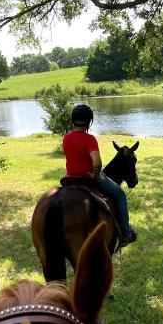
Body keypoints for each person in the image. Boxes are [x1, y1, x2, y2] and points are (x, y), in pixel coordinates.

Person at [63, 103, 137, 246]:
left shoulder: (66, 138)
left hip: (70, 178)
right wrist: (96, 176)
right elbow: (97, 163)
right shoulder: (89, 139)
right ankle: (126, 233)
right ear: (89, 121)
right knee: (120, 195)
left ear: (73, 119)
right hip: (88, 178)